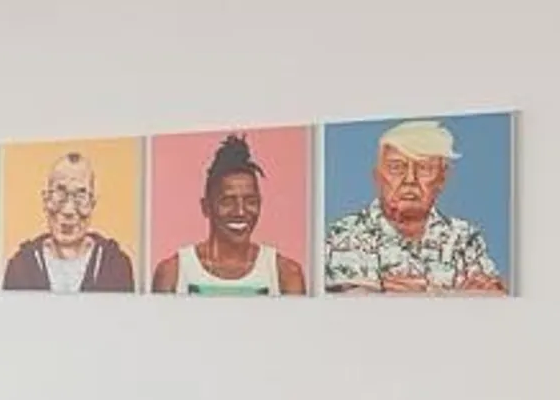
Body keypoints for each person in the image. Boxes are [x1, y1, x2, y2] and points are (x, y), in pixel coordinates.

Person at [324, 119, 506, 293]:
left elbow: (494, 296)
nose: (410, 179)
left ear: (442, 178)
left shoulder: (464, 237)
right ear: (377, 176)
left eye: (424, 168)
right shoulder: (345, 234)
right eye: (396, 167)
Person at [153, 133, 308, 294]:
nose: (240, 212)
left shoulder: (286, 275)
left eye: (250, 201)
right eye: (227, 201)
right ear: (206, 207)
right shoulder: (173, 273)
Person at [2, 148, 136, 292]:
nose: (68, 210)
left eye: (80, 196)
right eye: (60, 194)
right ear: (45, 200)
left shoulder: (114, 264)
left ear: (92, 204)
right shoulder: (22, 265)